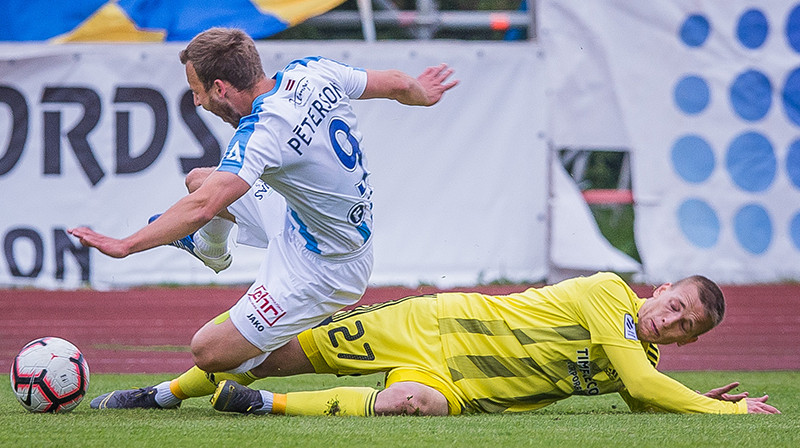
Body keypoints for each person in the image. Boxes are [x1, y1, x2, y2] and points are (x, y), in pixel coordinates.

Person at [68, 27, 458, 409]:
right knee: (200, 179)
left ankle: (200, 387)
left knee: (208, 350)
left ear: (220, 88)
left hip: (324, 267)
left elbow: (203, 208)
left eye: (197, 91)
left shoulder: (263, 132)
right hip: (298, 215)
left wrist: (125, 245)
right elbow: (396, 84)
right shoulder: (311, 70)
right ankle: (212, 250)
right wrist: (423, 94)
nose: (199, 102)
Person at [208, 272, 780, 415]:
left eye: (687, 328)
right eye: (675, 306)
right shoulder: (610, 293)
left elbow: (643, 395)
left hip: (461, 388)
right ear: (659, 290)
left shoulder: (641, 360)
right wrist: (721, 412)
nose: (672, 322)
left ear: (686, 344)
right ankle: (163, 393)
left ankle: (257, 406)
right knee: (275, 354)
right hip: (434, 324)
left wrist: (701, 402)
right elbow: (643, 385)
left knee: (412, 405)